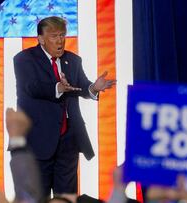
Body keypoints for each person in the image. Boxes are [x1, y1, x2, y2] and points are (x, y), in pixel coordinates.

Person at [13, 15, 115, 200]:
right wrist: (58, 87)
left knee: (67, 197)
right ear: (41, 39)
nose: (60, 40)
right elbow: (32, 87)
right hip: (38, 141)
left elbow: (82, 87)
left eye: (62, 35)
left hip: (68, 140)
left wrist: (93, 88)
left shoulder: (73, 60)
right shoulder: (23, 59)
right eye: (54, 36)